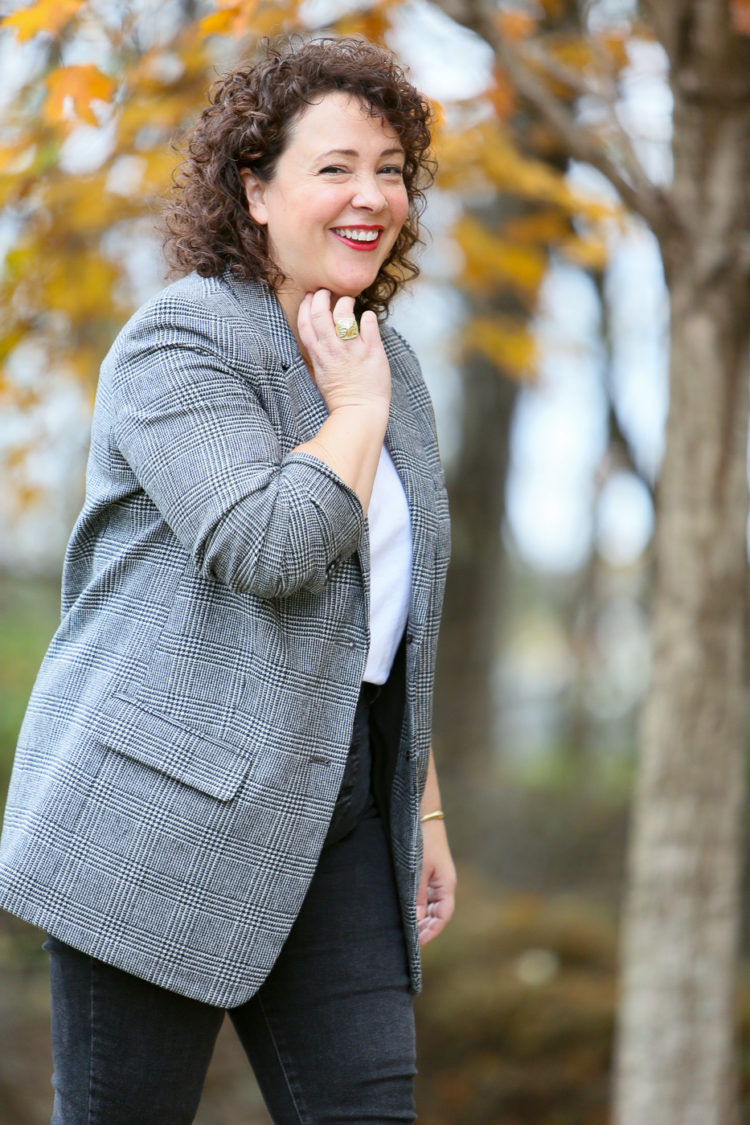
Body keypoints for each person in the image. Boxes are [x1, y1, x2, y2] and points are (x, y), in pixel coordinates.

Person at [0, 35, 455, 1125]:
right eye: (335, 167)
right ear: (256, 190)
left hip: (343, 813)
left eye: (390, 168)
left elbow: (394, 608)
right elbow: (269, 548)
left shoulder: (386, 361)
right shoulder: (180, 344)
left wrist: (424, 812)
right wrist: (352, 415)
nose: (372, 197)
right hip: (159, 819)